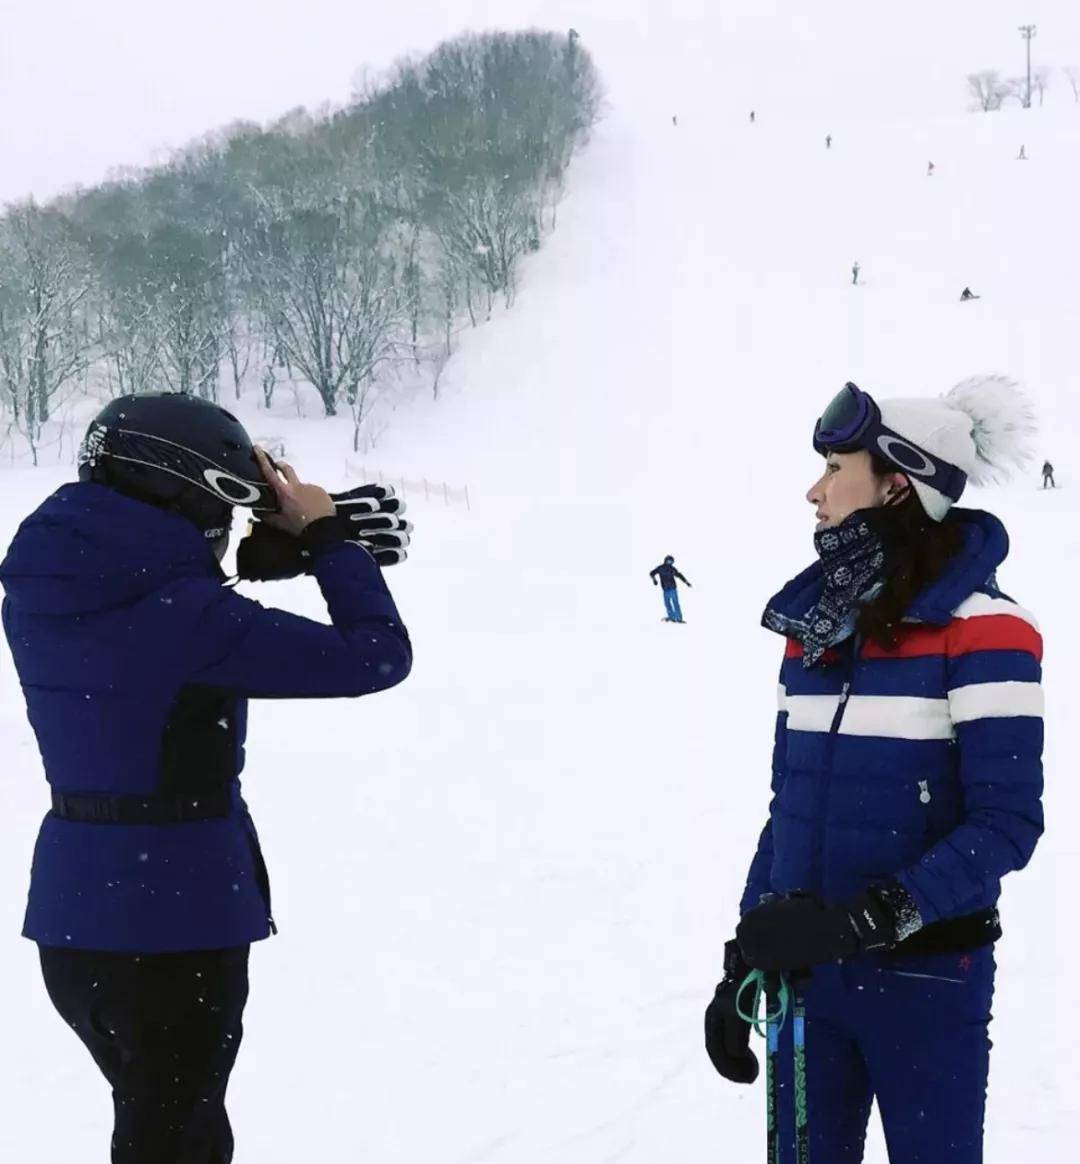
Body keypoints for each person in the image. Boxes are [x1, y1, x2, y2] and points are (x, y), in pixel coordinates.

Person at [0, 393, 413, 1163]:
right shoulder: (189, 620)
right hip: (173, 924)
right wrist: (325, 540)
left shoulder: (42, 588)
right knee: (178, 1142)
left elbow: (145, 626)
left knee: (158, 1125)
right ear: (192, 489)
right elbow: (376, 655)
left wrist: (255, 564)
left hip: (77, 921)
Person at [704, 376, 1043, 1162]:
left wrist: (857, 923)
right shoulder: (816, 630)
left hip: (927, 986)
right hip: (806, 987)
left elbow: (1007, 825)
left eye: (834, 469)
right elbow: (787, 809)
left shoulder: (988, 630)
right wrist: (741, 957)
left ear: (898, 484)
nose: (813, 491)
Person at [650, 555, 692, 622]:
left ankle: (679, 618)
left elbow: (679, 575)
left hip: (673, 589)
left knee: (675, 603)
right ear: (665, 560)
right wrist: (654, 579)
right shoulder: (660, 568)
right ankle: (671, 617)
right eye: (668, 561)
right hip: (665, 590)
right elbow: (652, 573)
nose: (669, 562)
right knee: (667, 604)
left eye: (671, 561)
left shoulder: (672, 569)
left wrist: (686, 582)